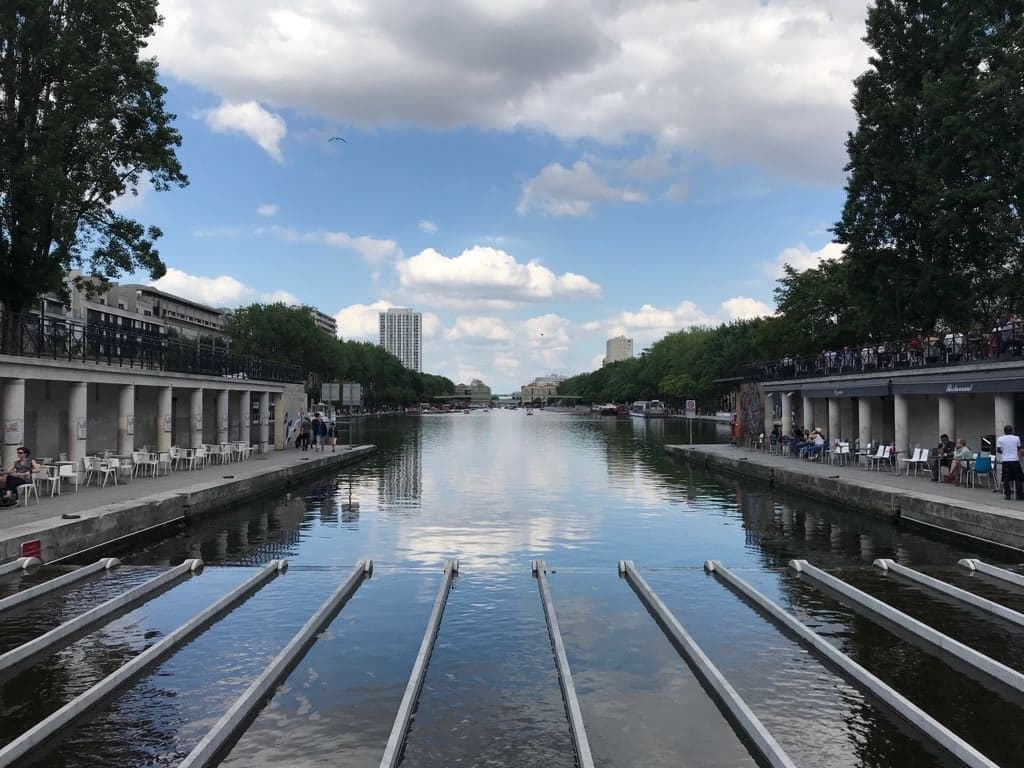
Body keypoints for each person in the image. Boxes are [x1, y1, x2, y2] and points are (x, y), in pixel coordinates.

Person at [996, 424, 1023, 500]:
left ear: (1004, 431)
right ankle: (1019, 495)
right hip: (1015, 460)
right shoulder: (1016, 438)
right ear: (1012, 431)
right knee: (1018, 478)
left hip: (1005, 460)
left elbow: (998, 449)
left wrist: (1004, 452)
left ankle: (1007, 495)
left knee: (1006, 479)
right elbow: (1019, 448)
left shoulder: (1000, 439)